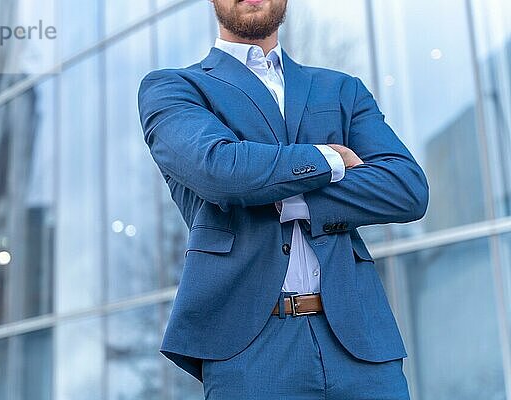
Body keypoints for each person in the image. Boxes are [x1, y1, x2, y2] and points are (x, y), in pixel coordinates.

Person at [137, 0, 429, 398]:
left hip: (360, 345)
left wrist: (286, 197)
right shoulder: (174, 88)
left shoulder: (342, 89)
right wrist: (329, 157)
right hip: (249, 353)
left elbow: (406, 189)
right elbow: (218, 170)